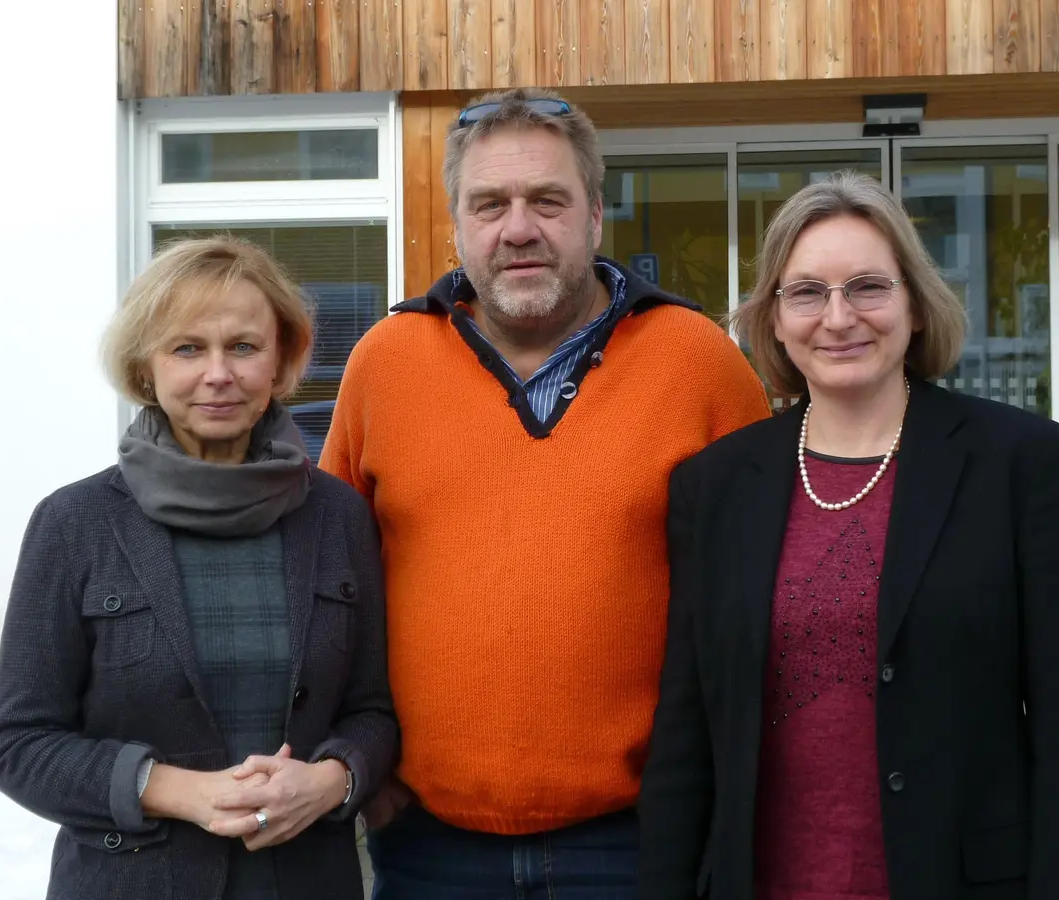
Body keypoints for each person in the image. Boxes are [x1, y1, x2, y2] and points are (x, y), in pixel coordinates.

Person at [319, 87, 770, 898]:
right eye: (489, 204)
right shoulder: (383, 364)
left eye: (548, 201)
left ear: (595, 215)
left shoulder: (698, 363)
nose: (518, 228)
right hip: (427, 848)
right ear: (455, 223)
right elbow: (327, 587)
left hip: (638, 847)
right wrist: (358, 762)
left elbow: (768, 596)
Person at [637, 173, 1059, 900]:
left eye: (868, 286)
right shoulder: (716, 485)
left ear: (916, 305)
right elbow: (687, 732)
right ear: (772, 319)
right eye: (806, 292)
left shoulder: (1018, 462)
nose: (838, 318)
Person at [0, 236, 397, 900]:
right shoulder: (75, 524)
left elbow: (374, 713)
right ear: (145, 368)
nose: (218, 373)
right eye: (187, 348)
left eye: (243, 346)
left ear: (282, 361)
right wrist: (181, 791)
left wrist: (329, 781)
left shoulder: (338, 517)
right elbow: (21, 745)